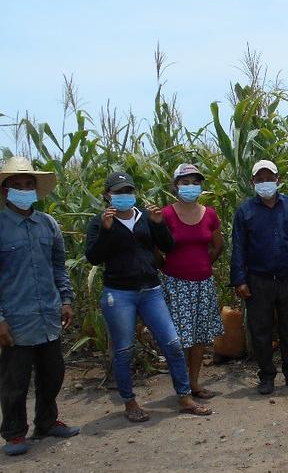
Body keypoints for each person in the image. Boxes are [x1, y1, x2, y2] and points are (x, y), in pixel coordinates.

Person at [85, 172, 211, 422]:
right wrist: (107, 232)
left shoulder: (145, 216)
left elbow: (168, 247)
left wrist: (158, 224)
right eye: (118, 192)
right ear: (107, 196)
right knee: (124, 350)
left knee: (172, 343)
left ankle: (184, 396)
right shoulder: (99, 223)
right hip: (119, 293)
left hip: (151, 290)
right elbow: (94, 257)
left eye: (128, 191)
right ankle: (130, 402)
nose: (124, 196)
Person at [0, 157, 79, 456]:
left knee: (52, 372)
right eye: (17, 185)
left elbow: (59, 267)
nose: (23, 189)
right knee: (14, 380)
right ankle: (14, 433)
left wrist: (67, 299)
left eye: (28, 184)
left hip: (48, 312)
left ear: (35, 188)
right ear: (6, 192)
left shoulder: (48, 224)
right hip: (16, 317)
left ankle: (46, 422)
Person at [231, 160, 288, 395]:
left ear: (278, 180)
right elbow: (238, 246)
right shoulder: (245, 211)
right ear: (253, 182)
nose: (265, 182)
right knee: (260, 330)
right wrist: (240, 279)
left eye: (270, 178)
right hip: (259, 279)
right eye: (260, 179)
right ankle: (266, 376)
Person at [161, 164, 224, 399]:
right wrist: (168, 268)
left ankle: (195, 383)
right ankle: (182, 386)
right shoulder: (166, 215)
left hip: (203, 283)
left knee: (198, 337)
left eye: (195, 182)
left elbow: (218, 246)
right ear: (176, 185)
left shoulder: (209, 214)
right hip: (175, 284)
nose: (190, 187)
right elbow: (155, 249)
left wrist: (204, 265)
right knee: (178, 339)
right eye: (185, 182)